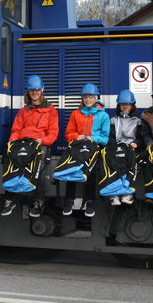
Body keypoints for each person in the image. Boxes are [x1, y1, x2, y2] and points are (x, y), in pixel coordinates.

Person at [1, 75, 59, 218]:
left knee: (38, 163)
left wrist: (43, 141)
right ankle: (10, 199)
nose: (34, 92)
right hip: (23, 144)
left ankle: (39, 201)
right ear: (28, 92)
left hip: (40, 144)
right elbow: (16, 130)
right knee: (8, 157)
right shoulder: (23, 111)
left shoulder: (51, 110)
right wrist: (12, 143)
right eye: (32, 90)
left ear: (42, 90)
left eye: (37, 89)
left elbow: (53, 133)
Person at [62, 83, 110, 218]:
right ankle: (69, 200)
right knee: (71, 166)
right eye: (85, 97)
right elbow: (68, 134)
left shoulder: (103, 116)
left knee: (91, 169)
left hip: (94, 148)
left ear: (96, 98)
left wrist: (91, 138)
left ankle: (90, 201)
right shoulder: (75, 114)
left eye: (90, 97)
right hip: (78, 147)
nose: (87, 99)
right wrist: (76, 137)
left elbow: (105, 139)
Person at [105, 90, 142, 206]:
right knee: (112, 162)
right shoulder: (113, 120)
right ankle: (114, 194)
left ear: (132, 106)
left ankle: (128, 192)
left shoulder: (137, 121)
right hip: (117, 148)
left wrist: (136, 143)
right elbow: (110, 137)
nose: (125, 107)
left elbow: (141, 138)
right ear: (119, 106)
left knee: (132, 162)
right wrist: (115, 147)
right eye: (122, 104)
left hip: (130, 149)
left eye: (127, 104)